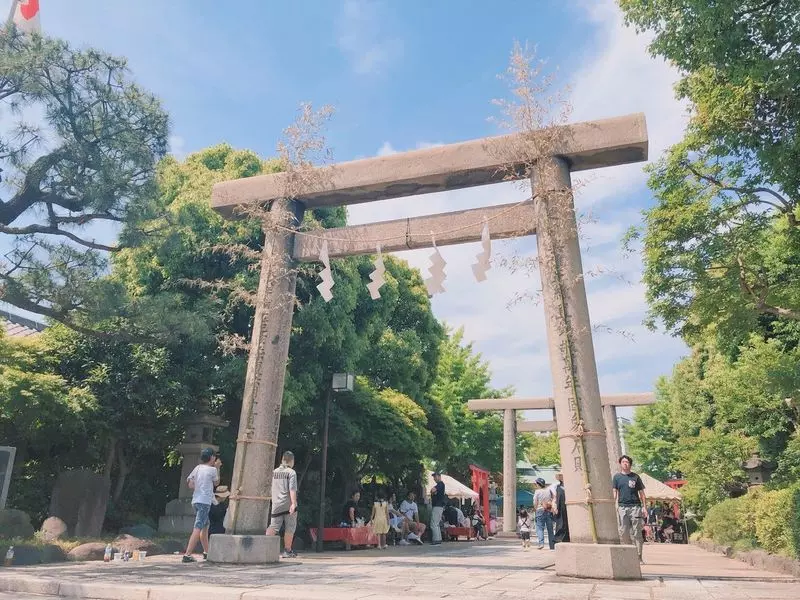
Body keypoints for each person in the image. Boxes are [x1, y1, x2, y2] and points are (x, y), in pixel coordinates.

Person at [182, 447, 220, 563]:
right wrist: (217, 468)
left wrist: (197, 486)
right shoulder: (212, 470)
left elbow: (190, 483)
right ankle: (187, 554)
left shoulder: (197, 468)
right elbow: (216, 483)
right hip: (204, 502)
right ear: (212, 458)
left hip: (196, 500)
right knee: (198, 526)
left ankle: (207, 552)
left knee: (205, 526)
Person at [612, 454, 647, 563]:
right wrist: (614, 505)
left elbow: (642, 493)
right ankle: (627, 555)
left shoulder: (635, 477)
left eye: (627, 462)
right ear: (620, 464)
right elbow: (614, 492)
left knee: (637, 532)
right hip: (622, 507)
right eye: (623, 462)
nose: (625, 464)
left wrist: (644, 507)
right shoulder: (617, 477)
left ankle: (639, 556)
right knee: (623, 532)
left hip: (635, 507)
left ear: (630, 464)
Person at [267, 450, 299, 559]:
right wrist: (293, 503)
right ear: (292, 461)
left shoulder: (274, 472)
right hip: (288, 503)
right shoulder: (291, 472)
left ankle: (264, 545)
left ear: (282, 460)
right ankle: (287, 550)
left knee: (274, 526)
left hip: (276, 504)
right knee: (290, 527)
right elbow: (292, 489)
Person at [532, 477, 555, 550]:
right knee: (550, 529)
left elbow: (535, 502)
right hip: (548, 510)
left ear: (538, 484)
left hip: (540, 510)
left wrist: (535, 509)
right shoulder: (548, 490)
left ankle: (541, 543)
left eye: (536, 483)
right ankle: (552, 545)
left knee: (540, 528)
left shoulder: (537, 491)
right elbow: (552, 498)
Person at [552, 473, 570, 543]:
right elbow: (555, 498)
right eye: (561, 476)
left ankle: (566, 537)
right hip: (560, 507)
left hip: (567, 506)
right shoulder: (558, 487)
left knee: (567, 521)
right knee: (561, 522)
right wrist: (555, 506)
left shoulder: (569, 487)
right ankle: (559, 538)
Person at [430, 472, 446, 545]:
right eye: (434, 477)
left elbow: (433, 490)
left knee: (433, 523)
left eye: (435, 476)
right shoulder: (440, 485)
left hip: (437, 506)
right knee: (436, 524)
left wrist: (432, 491)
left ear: (439, 476)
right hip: (439, 506)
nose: (434, 478)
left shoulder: (440, 484)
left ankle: (436, 540)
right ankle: (438, 539)